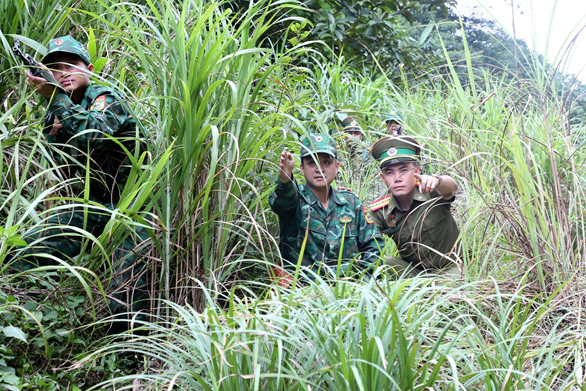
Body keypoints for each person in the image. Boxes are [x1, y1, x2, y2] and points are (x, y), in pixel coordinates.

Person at [18, 36, 148, 328]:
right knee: (26, 250)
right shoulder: (58, 110)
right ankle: (23, 317)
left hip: (139, 206)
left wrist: (56, 97)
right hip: (98, 205)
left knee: (122, 299)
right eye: (54, 68)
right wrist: (53, 131)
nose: (62, 72)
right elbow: (60, 170)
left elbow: (93, 133)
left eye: (70, 65)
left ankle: (132, 358)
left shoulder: (106, 98)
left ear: (89, 69)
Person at [269, 133, 382, 283]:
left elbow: (373, 247)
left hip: (347, 292)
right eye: (312, 162)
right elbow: (282, 202)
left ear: (337, 167)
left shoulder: (351, 203)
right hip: (302, 295)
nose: (319, 169)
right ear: (302, 168)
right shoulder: (295, 200)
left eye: (326, 162)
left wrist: (365, 285)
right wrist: (285, 178)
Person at [367, 136, 461, 277]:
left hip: (450, 266)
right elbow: (364, 240)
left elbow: (452, 187)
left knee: (446, 292)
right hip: (415, 271)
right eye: (389, 172)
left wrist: (438, 180)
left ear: (416, 171)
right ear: (383, 178)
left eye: (404, 170)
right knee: (383, 264)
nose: (397, 178)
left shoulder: (431, 190)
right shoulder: (381, 211)